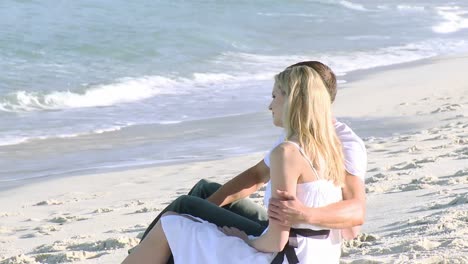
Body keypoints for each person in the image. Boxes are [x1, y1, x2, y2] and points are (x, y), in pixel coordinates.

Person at [123, 65, 357, 263]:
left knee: (171, 224)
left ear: (291, 101)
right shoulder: (331, 147)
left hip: (287, 257)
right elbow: (257, 177)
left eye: (275, 96)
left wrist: (245, 240)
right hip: (318, 255)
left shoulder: (287, 153)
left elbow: (277, 240)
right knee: (190, 216)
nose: (270, 105)